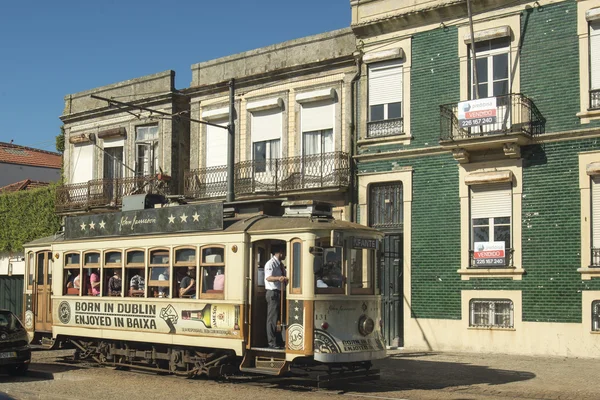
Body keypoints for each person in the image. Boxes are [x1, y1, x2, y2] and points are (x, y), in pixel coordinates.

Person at [264, 246, 287, 349]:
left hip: (280, 292)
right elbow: (268, 277)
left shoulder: (280, 264)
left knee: (279, 318)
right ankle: (271, 343)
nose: (286, 255)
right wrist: (279, 278)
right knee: (272, 319)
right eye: (285, 252)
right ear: (280, 252)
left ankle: (280, 340)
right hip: (273, 293)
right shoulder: (271, 263)